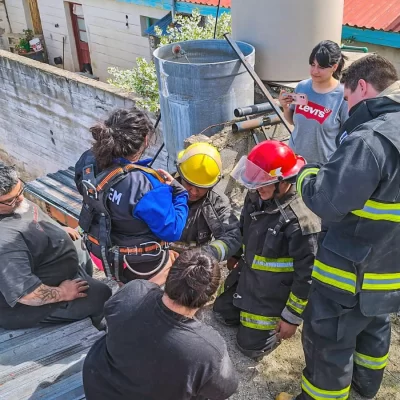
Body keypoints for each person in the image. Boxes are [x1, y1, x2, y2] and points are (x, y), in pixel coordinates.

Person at [276, 55, 400, 400]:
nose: (346, 106)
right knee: (375, 328)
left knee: (329, 340)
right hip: (389, 270)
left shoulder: (370, 139)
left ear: (361, 86)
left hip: (350, 269)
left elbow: (326, 201)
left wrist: (306, 173)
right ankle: (365, 388)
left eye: (346, 99)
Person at [83, 249, 239, 400]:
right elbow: (226, 388)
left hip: (98, 386)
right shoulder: (208, 349)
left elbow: (115, 307)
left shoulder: (133, 291)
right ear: (209, 298)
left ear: (169, 275)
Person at [213, 141, 320, 360]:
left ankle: (271, 327)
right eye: (255, 182)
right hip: (250, 276)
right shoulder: (258, 194)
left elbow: (308, 275)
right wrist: (234, 255)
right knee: (221, 314)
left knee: (249, 347)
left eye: (263, 184)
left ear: (283, 182)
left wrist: (291, 318)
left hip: (275, 291)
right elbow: (244, 228)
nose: (256, 188)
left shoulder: (301, 220)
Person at [74, 108, 188, 284]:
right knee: (173, 265)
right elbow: (172, 231)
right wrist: (180, 193)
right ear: (145, 140)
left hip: (99, 251)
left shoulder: (88, 159)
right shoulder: (146, 186)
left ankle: (121, 285)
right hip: (137, 265)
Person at [0, 163, 111, 330]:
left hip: (52, 265)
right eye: (11, 200)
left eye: (20, 191)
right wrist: (62, 293)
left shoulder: (11, 204)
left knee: (79, 247)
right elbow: (26, 293)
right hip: (34, 303)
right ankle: (98, 329)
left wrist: (56, 231)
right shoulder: (5, 242)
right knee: (102, 295)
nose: (21, 199)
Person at [169, 142, 241, 262]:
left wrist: (206, 254)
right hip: (161, 262)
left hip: (195, 265)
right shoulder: (163, 190)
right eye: (188, 184)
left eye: (200, 188)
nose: (193, 192)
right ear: (180, 174)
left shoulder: (216, 201)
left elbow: (233, 237)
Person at [279, 40, 348, 164]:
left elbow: (347, 138)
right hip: (295, 162)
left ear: (334, 67)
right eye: (312, 65)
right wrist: (285, 107)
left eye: (321, 67)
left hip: (324, 169)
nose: (314, 71)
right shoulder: (302, 87)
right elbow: (295, 122)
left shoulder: (343, 96)